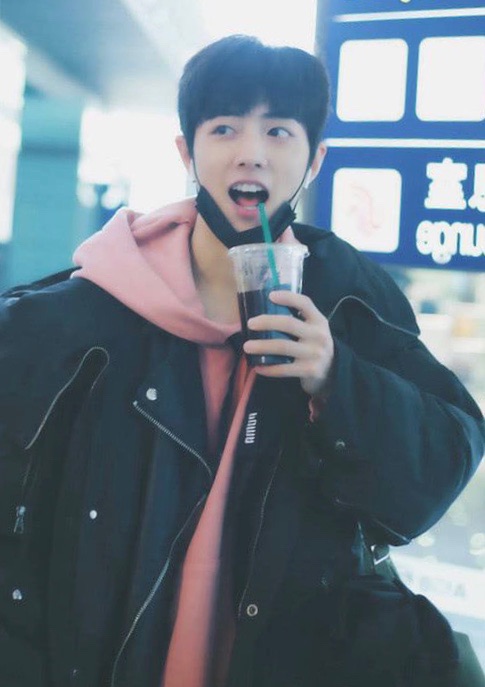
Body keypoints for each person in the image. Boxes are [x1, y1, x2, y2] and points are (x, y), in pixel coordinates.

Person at [0, 34, 483, 687]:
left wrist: (337, 379)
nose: (251, 152)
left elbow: (436, 472)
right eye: (224, 128)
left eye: (279, 131)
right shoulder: (80, 312)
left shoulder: (350, 298)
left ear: (315, 159)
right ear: (187, 153)